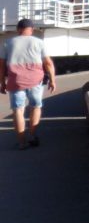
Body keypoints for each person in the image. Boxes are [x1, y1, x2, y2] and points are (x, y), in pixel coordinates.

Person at [1, 19, 57, 150]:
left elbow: (1, 65)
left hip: (15, 80)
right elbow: (48, 63)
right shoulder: (39, 42)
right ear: (31, 29)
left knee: (18, 110)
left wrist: (2, 83)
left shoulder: (8, 43)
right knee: (36, 107)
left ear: (18, 29)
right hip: (35, 80)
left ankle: (21, 142)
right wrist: (53, 80)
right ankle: (32, 135)